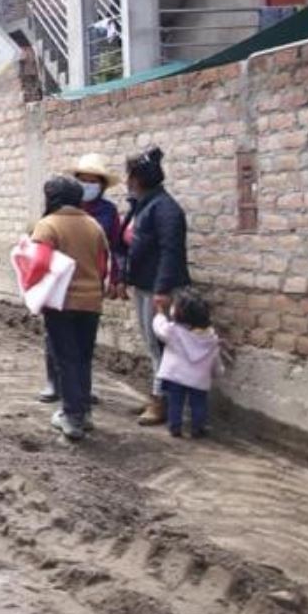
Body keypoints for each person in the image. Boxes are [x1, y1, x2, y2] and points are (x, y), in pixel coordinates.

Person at [37, 153, 125, 405]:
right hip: (61, 288)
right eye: (83, 181)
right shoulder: (55, 218)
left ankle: (77, 399)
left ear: (102, 185)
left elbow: (114, 248)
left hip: (89, 283)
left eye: (93, 181)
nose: (88, 186)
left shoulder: (106, 213)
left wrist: (116, 278)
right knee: (58, 342)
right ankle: (57, 385)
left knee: (81, 347)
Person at [32, 174, 109, 441]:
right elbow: (102, 267)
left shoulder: (47, 225)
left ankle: (71, 417)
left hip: (61, 303)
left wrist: (34, 293)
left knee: (65, 359)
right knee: (83, 357)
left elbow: (39, 265)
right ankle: (84, 412)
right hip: (91, 302)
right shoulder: (94, 225)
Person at [121, 146, 188, 427]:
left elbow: (171, 252)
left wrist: (162, 291)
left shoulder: (165, 209)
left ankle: (162, 401)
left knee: (161, 345)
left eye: (129, 176)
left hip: (158, 288)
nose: (126, 181)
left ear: (138, 179)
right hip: (145, 284)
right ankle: (157, 394)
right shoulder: (147, 204)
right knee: (152, 343)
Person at [154, 291, 221, 439]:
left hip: (175, 376)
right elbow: (215, 360)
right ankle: (198, 428)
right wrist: (217, 372)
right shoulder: (211, 338)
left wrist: (159, 313)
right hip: (199, 379)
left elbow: (159, 329)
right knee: (198, 405)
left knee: (175, 403)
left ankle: (175, 427)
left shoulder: (173, 330)